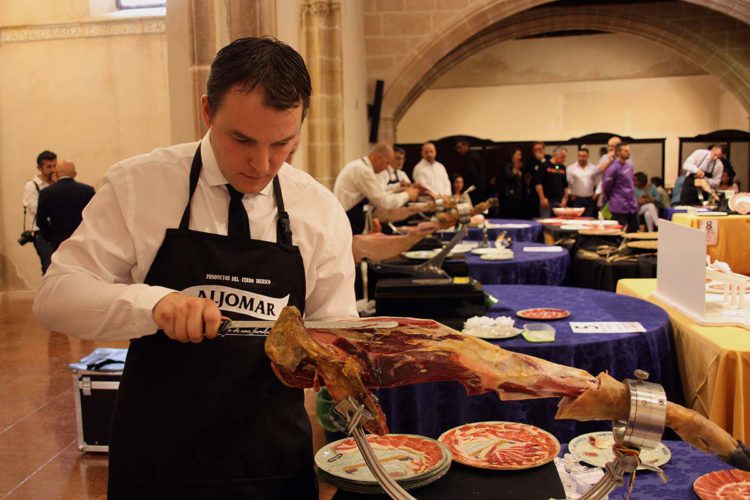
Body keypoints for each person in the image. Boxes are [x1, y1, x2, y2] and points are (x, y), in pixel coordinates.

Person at [34, 37, 357, 499]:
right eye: (241, 139)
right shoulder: (138, 184)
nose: (262, 163)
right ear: (206, 110)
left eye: (283, 143)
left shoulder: (319, 210)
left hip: (272, 458)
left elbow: (334, 333)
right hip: (159, 458)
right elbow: (55, 298)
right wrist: (155, 304)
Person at [334, 142, 420, 234]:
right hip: (347, 220)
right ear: (379, 158)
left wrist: (399, 189)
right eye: (387, 163)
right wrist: (407, 195)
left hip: (352, 218)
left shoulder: (361, 166)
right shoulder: (363, 170)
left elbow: (380, 191)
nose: (387, 168)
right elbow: (384, 202)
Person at [35, 160, 95, 251]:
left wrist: (51, 237)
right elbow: (94, 216)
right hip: (83, 240)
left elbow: (40, 221)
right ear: (74, 174)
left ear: (56, 174)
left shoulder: (46, 193)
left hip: (58, 241)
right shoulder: (88, 191)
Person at [22, 150, 57, 274]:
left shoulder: (56, 183)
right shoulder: (32, 186)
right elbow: (35, 209)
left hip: (56, 230)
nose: (53, 170)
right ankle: (47, 293)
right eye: (49, 167)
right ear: (39, 168)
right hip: (41, 231)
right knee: (48, 266)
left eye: (54, 166)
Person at [602, 143, 639, 232]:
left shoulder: (629, 166)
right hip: (619, 204)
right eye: (626, 151)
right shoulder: (613, 168)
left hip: (631, 204)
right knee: (618, 231)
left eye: (629, 150)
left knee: (634, 229)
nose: (629, 153)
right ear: (618, 152)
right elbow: (606, 186)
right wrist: (613, 197)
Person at [534, 146, 569, 218]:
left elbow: (565, 185)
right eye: (562, 157)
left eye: (565, 157)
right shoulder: (544, 165)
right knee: (546, 220)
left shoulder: (562, 167)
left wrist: (565, 198)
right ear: (556, 155)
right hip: (547, 200)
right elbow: (538, 184)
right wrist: (542, 198)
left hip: (559, 201)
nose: (564, 159)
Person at [566, 147, 601, 217]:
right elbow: (566, 183)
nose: (581, 158)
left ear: (587, 156)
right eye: (579, 156)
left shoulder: (593, 168)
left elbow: (599, 182)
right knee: (577, 219)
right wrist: (570, 193)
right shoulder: (571, 168)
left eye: (583, 156)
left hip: (590, 198)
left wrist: (597, 193)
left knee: (589, 218)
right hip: (577, 199)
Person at [455, 139, 488, 204]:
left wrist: (463, 185)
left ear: (466, 146)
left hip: (475, 189)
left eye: (460, 147)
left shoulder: (468, 157)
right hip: (482, 188)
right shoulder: (475, 154)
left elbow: (472, 174)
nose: (458, 150)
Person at [499, 148, 526, 219]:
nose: (520, 157)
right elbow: (508, 177)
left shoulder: (521, 167)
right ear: (512, 156)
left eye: (520, 155)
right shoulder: (507, 166)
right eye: (518, 155)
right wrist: (515, 169)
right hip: (509, 197)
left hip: (518, 197)